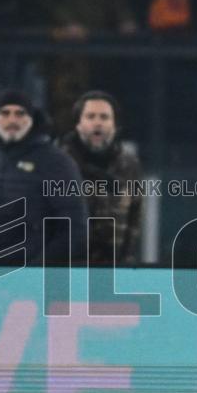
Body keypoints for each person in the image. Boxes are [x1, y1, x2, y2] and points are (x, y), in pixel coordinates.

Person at [0, 90, 88, 266]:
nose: (12, 120)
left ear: (32, 119)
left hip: (32, 273)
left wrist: (37, 268)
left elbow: (75, 227)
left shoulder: (57, 162)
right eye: (5, 113)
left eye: (20, 113)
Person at [57, 91, 143, 265]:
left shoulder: (129, 165)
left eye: (104, 117)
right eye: (90, 116)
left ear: (115, 125)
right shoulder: (57, 163)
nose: (98, 123)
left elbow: (135, 217)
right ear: (78, 124)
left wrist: (126, 261)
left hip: (113, 267)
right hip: (65, 267)